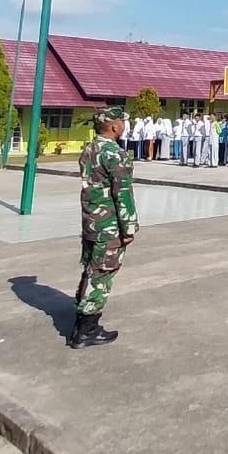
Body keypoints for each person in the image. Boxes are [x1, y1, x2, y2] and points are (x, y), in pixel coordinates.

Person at [69, 105, 138, 349]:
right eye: (122, 122)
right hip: (108, 225)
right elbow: (123, 194)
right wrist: (129, 227)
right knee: (102, 275)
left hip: (90, 221)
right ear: (115, 126)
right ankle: (86, 330)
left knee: (91, 269)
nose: (124, 125)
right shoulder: (114, 154)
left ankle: (81, 320)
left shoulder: (90, 149)